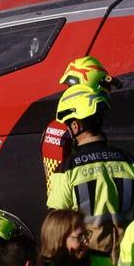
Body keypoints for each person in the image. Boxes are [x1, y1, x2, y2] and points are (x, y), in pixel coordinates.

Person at [46, 83, 134, 259]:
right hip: (130, 258)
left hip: (90, 263)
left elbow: (56, 223)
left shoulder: (67, 168)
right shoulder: (129, 161)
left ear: (76, 126)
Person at [41, 57, 118, 194]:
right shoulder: (63, 129)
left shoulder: (62, 124)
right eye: (104, 86)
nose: (107, 92)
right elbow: (57, 187)